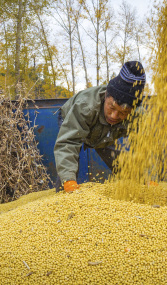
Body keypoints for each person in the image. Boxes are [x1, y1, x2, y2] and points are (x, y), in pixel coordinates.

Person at [54, 61, 145, 192]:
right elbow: (68, 143)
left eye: (123, 113)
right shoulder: (85, 106)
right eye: (112, 107)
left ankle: (133, 190)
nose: (114, 116)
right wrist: (68, 180)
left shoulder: (138, 116)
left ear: (132, 110)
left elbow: (146, 149)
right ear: (106, 95)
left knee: (118, 160)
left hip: (105, 132)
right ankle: (63, 193)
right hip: (74, 121)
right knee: (68, 166)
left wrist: (149, 177)